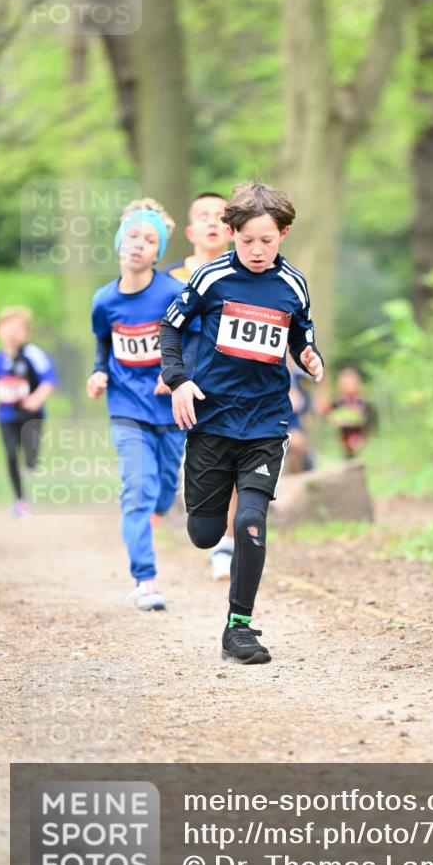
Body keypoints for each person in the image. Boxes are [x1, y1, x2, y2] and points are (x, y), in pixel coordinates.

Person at [160, 181, 324, 663]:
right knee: (205, 533)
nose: (256, 250)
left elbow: (302, 334)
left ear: (284, 234)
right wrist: (178, 380)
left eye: (267, 241)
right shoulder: (210, 279)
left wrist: (310, 355)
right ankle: (206, 516)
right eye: (247, 240)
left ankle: (239, 626)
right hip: (212, 418)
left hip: (266, 421)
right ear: (231, 234)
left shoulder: (292, 284)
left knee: (251, 521)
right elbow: (172, 327)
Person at [87, 198, 186, 611]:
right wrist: (99, 371)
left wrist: (174, 372)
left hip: (169, 410)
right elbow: (104, 342)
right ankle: (145, 580)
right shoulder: (104, 300)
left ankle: (152, 513)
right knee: (138, 492)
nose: (138, 244)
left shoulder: (173, 293)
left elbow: (194, 340)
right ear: (119, 243)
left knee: (164, 492)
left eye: (149, 239)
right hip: (126, 407)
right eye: (132, 236)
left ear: (158, 252)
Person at [164, 191, 238, 581]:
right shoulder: (169, 279)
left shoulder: (244, 274)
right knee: (187, 477)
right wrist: (164, 374)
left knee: (233, 463)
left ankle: (225, 546)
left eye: (219, 216)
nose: (212, 221)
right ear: (191, 230)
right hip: (176, 388)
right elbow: (153, 330)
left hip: (227, 387)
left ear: (230, 229)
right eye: (203, 216)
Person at [0, 306, 57, 517]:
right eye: (7, 327)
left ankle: (31, 461)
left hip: (31, 416)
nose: (12, 332)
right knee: (11, 455)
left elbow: (49, 379)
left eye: (17, 328)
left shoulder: (32, 354)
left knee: (30, 457)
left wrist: (36, 398)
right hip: (6, 415)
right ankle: (20, 501)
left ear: (26, 332)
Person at [328, 366, 374, 458]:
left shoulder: (362, 402)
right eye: (345, 384)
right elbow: (331, 419)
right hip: (343, 441)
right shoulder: (338, 403)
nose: (348, 387)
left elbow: (367, 422)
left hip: (360, 438)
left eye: (351, 384)